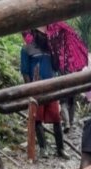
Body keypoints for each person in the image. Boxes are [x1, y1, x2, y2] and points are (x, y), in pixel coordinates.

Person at [20, 27, 69, 159]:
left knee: (57, 119)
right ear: (34, 34)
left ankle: (60, 149)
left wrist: (56, 52)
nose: (44, 37)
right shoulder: (26, 49)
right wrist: (30, 89)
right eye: (41, 34)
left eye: (45, 35)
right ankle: (43, 148)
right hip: (36, 88)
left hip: (51, 88)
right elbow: (25, 71)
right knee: (37, 119)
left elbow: (56, 67)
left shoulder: (50, 49)